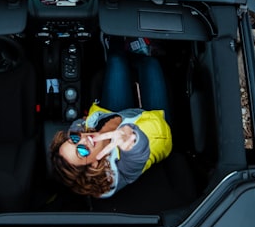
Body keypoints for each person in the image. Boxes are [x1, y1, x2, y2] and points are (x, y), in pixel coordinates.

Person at [50, 42, 172, 198]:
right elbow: (137, 156)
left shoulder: (81, 133)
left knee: (116, 60)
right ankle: (142, 53)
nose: (83, 140)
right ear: (92, 165)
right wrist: (130, 139)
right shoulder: (119, 173)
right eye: (82, 151)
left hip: (121, 114)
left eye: (74, 139)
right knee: (151, 65)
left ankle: (124, 47)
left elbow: (77, 125)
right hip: (157, 126)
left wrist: (82, 125)